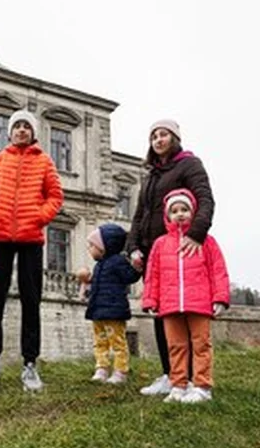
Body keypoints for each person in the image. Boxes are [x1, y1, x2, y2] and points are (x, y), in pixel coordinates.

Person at [125, 118, 216, 396]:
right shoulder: (151, 174)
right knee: (162, 315)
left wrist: (196, 234)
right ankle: (171, 374)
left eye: (163, 134)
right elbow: (140, 214)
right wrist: (133, 247)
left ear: (174, 138)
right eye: (153, 136)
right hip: (157, 252)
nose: (158, 139)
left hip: (185, 248)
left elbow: (205, 199)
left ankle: (193, 379)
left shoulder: (190, 165)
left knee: (188, 316)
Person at [0, 109, 65, 392]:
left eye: (27, 126)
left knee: (31, 300)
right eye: (18, 126)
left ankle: (30, 364)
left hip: (31, 239)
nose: (22, 130)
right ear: (10, 132)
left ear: (34, 132)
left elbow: (55, 196)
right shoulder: (0, 160)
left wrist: (38, 217)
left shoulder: (44, 161)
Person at [140, 189, 230, 403]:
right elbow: (153, 274)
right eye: (174, 210)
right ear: (167, 215)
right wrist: (150, 300)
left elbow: (218, 270)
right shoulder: (161, 244)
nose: (180, 214)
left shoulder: (207, 242)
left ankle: (202, 386)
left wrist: (220, 298)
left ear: (193, 212)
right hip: (170, 305)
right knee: (176, 346)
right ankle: (179, 384)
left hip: (199, 303)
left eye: (184, 209)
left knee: (201, 345)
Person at [81, 223, 142, 384]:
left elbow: (130, 277)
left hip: (114, 310)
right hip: (98, 310)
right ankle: (101, 368)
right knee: (100, 341)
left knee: (117, 342)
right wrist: (87, 287)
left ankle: (120, 370)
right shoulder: (99, 265)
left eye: (92, 245)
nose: (90, 249)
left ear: (104, 247)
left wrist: (136, 268)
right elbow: (97, 286)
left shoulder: (118, 261)